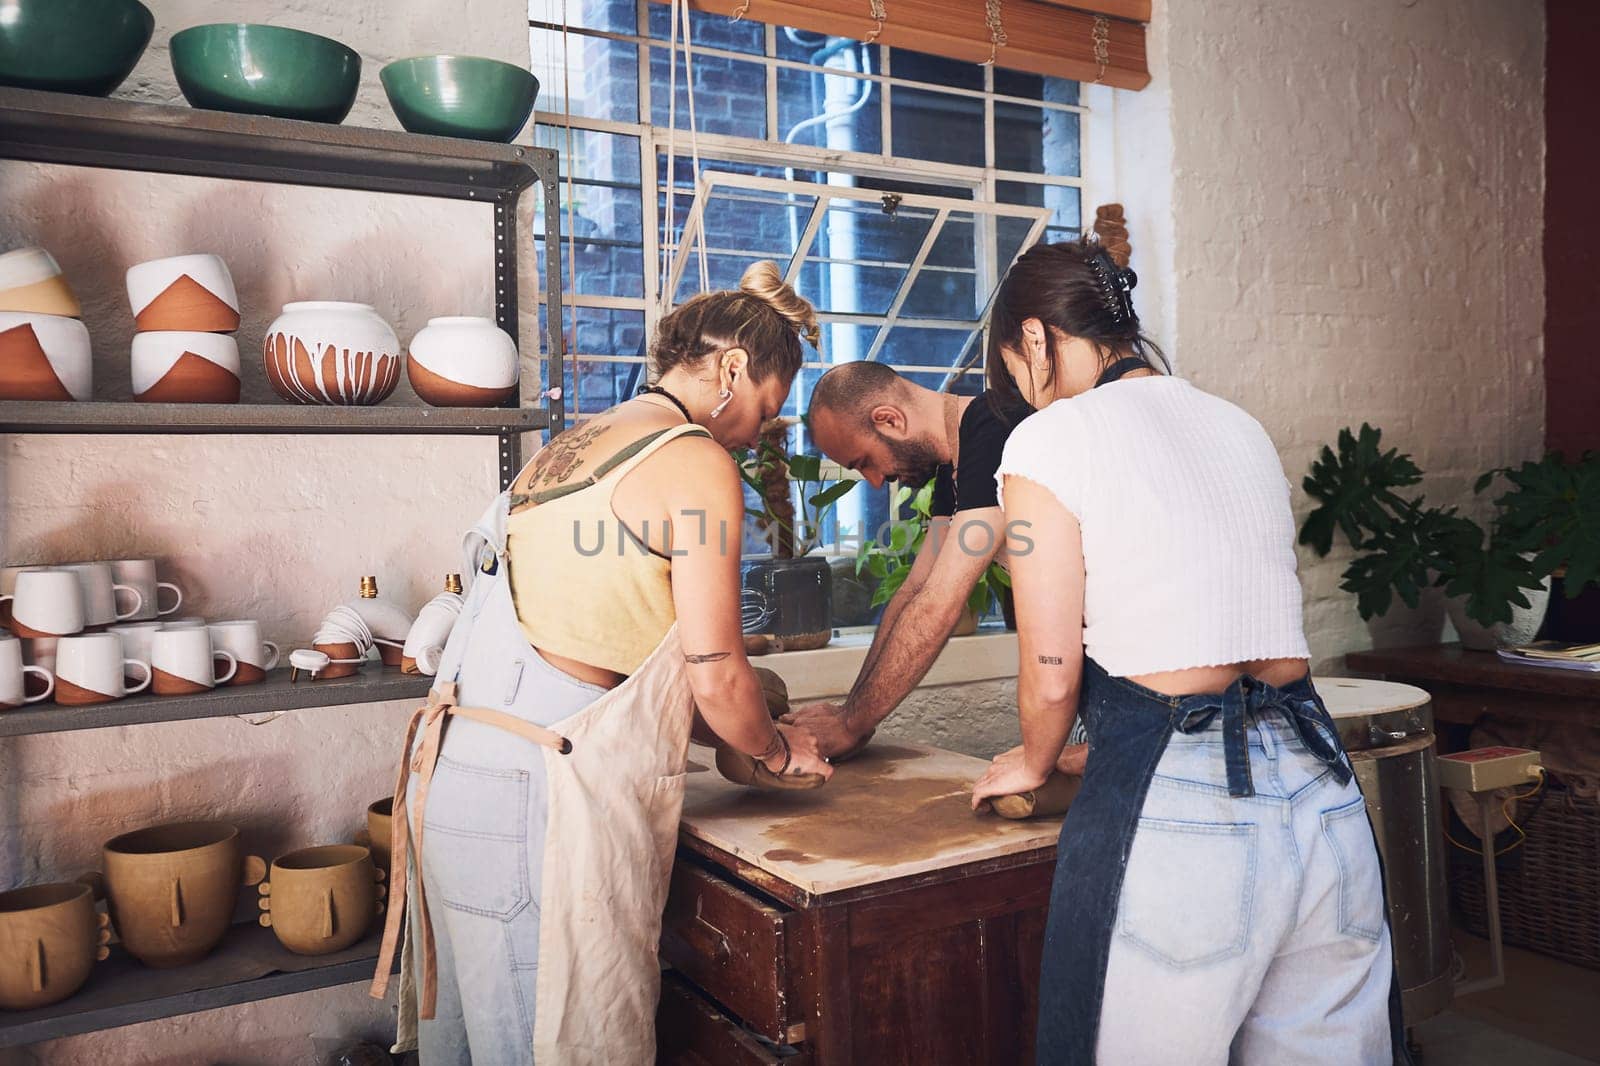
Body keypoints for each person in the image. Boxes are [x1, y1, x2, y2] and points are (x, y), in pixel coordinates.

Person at [371, 261, 832, 1065]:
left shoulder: (571, 445)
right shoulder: (693, 460)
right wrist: (776, 749)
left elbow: (595, 638)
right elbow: (717, 672)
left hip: (462, 780)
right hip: (543, 804)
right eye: (766, 405)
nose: (761, 433)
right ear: (731, 369)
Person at [970, 231, 1409, 1064]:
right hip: (1321, 791)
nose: (1028, 401)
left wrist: (1033, 760)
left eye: (1018, 374)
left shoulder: (1048, 441)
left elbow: (1053, 668)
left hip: (1183, 815)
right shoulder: (1235, 423)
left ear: (1035, 338)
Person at [786, 362, 1088, 766]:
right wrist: (851, 714)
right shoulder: (954, 462)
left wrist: (849, 726)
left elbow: (941, 603)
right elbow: (914, 591)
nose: (875, 481)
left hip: (1134, 665)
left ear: (889, 420)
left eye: (863, 462)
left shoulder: (1000, 430)